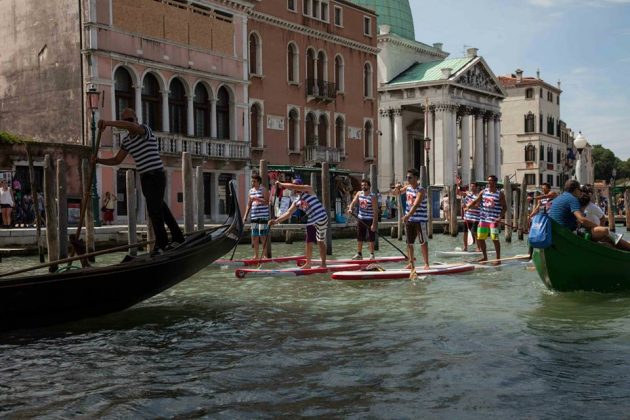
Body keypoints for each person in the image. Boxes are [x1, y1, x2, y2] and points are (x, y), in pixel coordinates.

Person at [96, 108, 185, 255]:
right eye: (125, 120)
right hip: (145, 178)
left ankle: (162, 243)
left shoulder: (144, 130)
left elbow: (132, 128)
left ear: (136, 120)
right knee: (160, 207)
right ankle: (178, 237)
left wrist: (108, 123)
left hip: (156, 174)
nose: (128, 123)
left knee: (154, 210)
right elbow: (117, 160)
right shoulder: (126, 141)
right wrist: (99, 160)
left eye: (130, 120)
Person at [549, 180, 630, 251]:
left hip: (559, 234)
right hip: (569, 233)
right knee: (605, 233)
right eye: (579, 190)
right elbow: (582, 220)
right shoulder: (572, 199)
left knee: (607, 237)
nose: (580, 192)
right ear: (576, 190)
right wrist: (596, 226)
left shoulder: (556, 199)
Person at [269, 178, 328, 269]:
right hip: (312, 220)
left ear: (300, 185)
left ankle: (323, 264)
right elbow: (288, 213)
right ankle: (308, 264)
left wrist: (281, 184)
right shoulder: (296, 202)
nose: (294, 187)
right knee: (308, 241)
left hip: (322, 217)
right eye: (294, 185)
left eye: (296, 185)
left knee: (320, 241)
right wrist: (276, 221)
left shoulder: (308, 189)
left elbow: (293, 186)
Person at [391, 168, 430, 269]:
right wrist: (397, 188)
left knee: (423, 241)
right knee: (409, 242)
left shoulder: (421, 190)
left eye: (410, 177)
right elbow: (395, 193)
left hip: (420, 220)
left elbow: (416, 204)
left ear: (416, 178)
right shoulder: (407, 188)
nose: (408, 179)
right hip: (410, 220)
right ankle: (411, 263)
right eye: (407, 177)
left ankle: (426, 264)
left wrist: (407, 215)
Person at [466, 175, 506, 264]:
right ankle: (485, 257)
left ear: (495, 182)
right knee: (480, 238)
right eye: (488, 181)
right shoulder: (483, 192)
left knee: (494, 239)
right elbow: (476, 200)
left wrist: (500, 217)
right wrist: (468, 206)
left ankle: (498, 259)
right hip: (483, 219)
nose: (489, 183)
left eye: (491, 181)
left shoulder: (500, 194)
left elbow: (504, 207)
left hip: (493, 220)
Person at [347, 179, 377, 260]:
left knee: (371, 238)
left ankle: (372, 254)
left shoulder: (372, 196)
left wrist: (374, 224)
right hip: (361, 219)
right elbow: (353, 202)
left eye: (365, 185)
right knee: (360, 237)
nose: (363, 187)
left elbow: (375, 211)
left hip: (370, 219)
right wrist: (350, 208)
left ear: (369, 186)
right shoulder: (359, 193)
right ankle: (359, 254)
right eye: (362, 185)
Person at [243, 174, 270, 260]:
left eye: (254, 181)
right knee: (254, 236)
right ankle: (256, 256)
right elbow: (249, 205)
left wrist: (257, 199)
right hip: (254, 217)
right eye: (252, 181)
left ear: (258, 181)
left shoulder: (264, 190)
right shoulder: (250, 191)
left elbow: (267, 202)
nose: (252, 183)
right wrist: (245, 216)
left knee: (262, 236)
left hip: (263, 216)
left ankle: (265, 256)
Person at [459, 182, 481, 251]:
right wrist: (464, 205)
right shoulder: (468, 196)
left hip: (476, 217)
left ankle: (478, 247)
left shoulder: (478, 196)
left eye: (473, 186)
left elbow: (477, 206)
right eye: (471, 186)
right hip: (467, 217)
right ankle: (465, 247)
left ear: (476, 187)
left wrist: (469, 207)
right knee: (465, 232)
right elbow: (465, 205)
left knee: (475, 233)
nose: (471, 188)